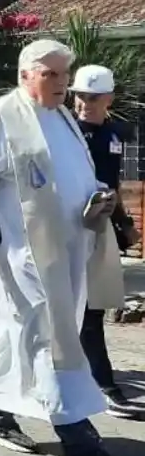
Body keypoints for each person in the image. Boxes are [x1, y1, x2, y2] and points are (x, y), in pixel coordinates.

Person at [0, 40, 130, 456]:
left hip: (69, 248)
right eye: (51, 75)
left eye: (64, 75)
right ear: (25, 75)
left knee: (26, 340)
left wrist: (97, 200)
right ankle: (78, 439)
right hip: (23, 253)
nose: (61, 83)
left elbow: (76, 173)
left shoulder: (61, 117)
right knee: (50, 340)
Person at [69, 64, 142, 420]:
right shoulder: (66, 132)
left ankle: (93, 380)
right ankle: (102, 384)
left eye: (93, 97)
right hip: (67, 231)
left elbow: (110, 185)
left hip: (99, 229)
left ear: (108, 99)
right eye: (80, 96)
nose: (85, 103)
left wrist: (125, 223)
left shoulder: (113, 135)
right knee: (81, 310)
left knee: (93, 307)